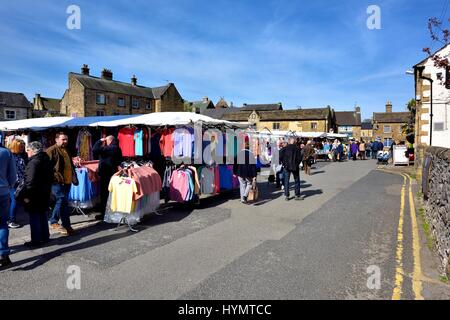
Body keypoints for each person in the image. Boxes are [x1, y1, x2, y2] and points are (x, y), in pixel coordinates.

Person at [21, 142, 53, 247]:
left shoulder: (34, 162)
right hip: (44, 192)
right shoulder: (46, 159)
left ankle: (36, 240)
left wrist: (27, 195)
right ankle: (45, 237)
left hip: (35, 193)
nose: (27, 152)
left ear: (34, 151)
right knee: (43, 214)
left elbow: (30, 181)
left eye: (28, 150)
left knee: (34, 216)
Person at [47, 132, 78, 236]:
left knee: (64, 203)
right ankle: (54, 221)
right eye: (63, 139)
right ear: (56, 139)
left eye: (66, 139)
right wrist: (53, 177)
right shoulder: (51, 150)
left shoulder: (66, 150)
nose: (65, 141)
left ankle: (66, 226)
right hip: (57, 181)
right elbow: (45, 167)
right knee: (60, 199)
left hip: (67, 181)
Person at [92, 135, 123, 220]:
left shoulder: (112, 148)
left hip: (107, 174)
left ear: (109, 141)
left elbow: (94, 150)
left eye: (105, 141)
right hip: (111, 173)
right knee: (110, 194)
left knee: (105, 194)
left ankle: (105, 213)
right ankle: (109, 212)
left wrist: (99, 141)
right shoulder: (116, 148)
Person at [0, 145, 17, 268]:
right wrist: (8, 186)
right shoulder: (6, 152)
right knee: (2, 223)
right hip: (3, 191)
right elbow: (13, 176)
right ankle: (3, 254)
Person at [7, 139, 26, 229]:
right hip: (14, 182)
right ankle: (11, 220)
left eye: (23, 146)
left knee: (14, 201)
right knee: (14, 201)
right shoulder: (11, 156)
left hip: (18, 182)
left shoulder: (18, 156)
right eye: (21, 146)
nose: (23, 148)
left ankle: (10, 218)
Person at [235, 139, 257, 204]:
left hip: (240, 172)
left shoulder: (239, 153)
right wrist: (254, 175)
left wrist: (234, 172)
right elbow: (253, 166)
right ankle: (245, 196)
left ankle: (243, 199)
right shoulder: (251, 154)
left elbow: (235, 164)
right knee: (249, 184)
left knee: (242, 185)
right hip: (248, 173)